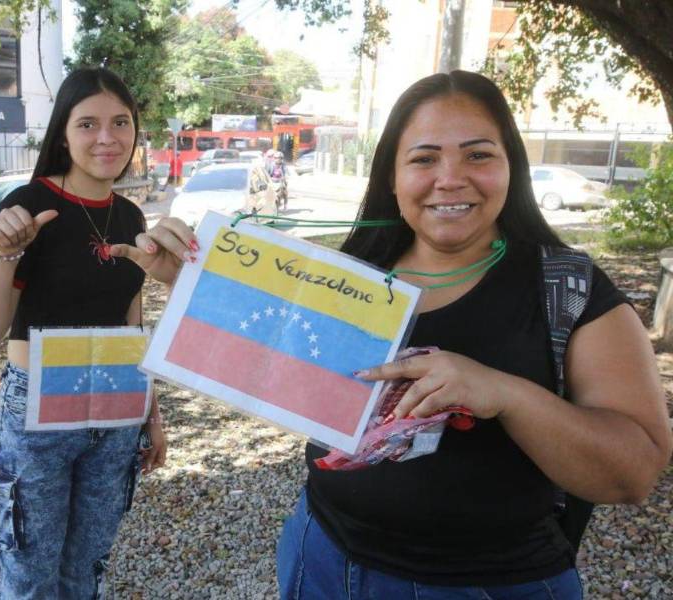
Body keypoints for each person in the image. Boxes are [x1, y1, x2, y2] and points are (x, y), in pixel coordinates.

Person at [276, 70, 672, 599]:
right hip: (320, 554)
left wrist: (504, 393)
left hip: (490, 585)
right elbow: (270, 361)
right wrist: (192, 275)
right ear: (392, 177)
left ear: (512, 168)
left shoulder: (568, 289)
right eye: (423, 158)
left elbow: (634, 473)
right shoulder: (353, 274)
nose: (451, 178)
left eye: (478, 155)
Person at [0, 67, 197, 599]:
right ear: (63, 133)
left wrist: (151, 415)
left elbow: (131, 323)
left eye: (120, 122)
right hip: (38, 413)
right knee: (28, 576)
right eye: (88, 124)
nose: (107, 138)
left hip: (117, 412)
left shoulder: (130, 216)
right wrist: (6, 254)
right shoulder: (26, 207)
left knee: (84, 570)